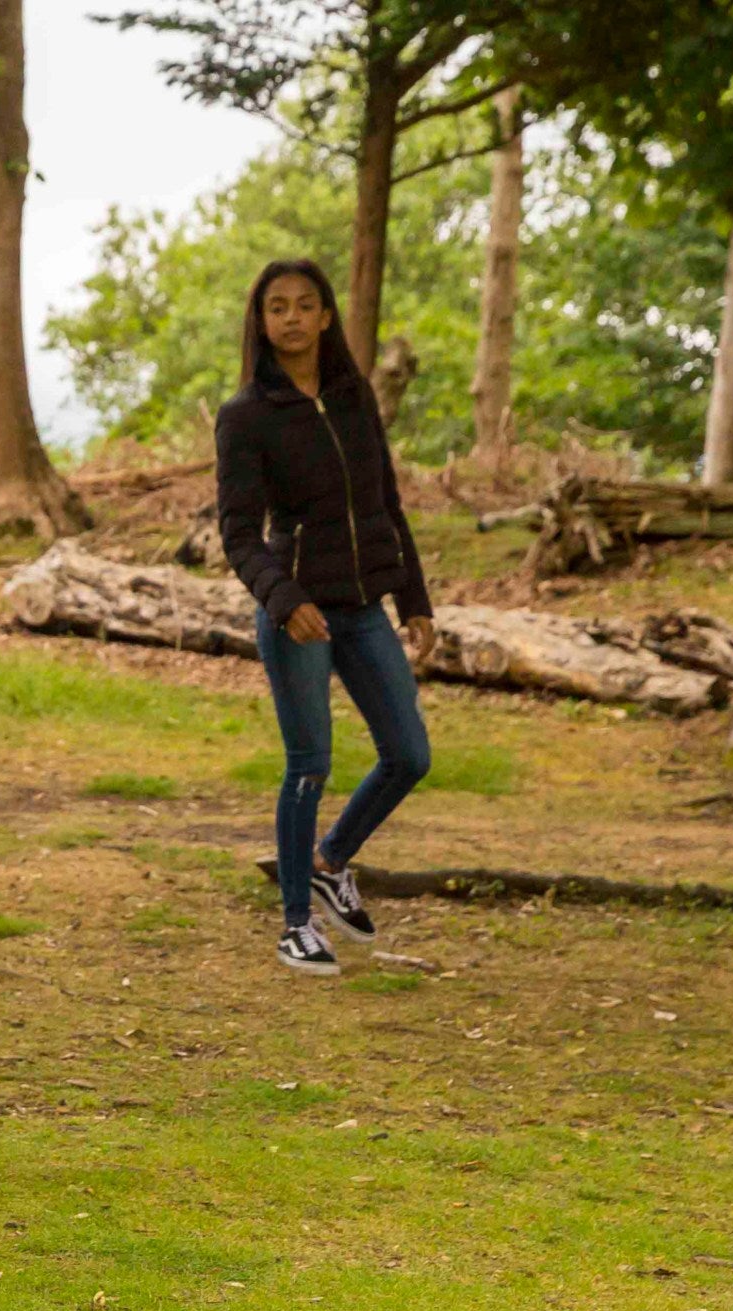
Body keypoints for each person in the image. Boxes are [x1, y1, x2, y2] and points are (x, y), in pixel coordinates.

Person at [212, 259, 436, 976]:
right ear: (262, 321)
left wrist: (416, 600)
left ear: (327, 316)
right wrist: (285, 599)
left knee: (409, 754)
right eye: (277, 307)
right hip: (298, 612)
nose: (292, 318)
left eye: (305, 305)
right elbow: (239, 533)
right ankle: (295, 925)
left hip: (365, 606)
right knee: (309, 762)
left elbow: (386, 502)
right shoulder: (245, 416)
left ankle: (330, 859)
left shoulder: (353, 395)